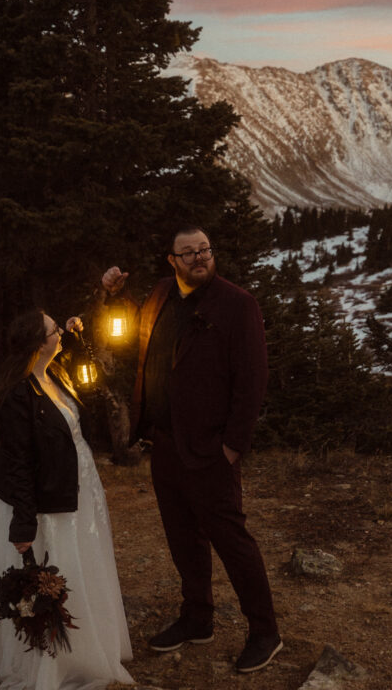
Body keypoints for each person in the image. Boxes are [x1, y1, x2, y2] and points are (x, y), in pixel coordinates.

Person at [102, 225, 282, 675]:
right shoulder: (162, 294)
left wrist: (232, 448)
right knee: (183, 539)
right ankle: (197, 618)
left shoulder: (238, 304)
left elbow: (252, 382)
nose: (200, 258)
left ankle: (265, 632)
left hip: (211, 449)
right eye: (189, 253)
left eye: (204, 250)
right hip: (164, 443)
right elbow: (133, 336)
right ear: (172, 260)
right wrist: (109, 298)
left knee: (232, 541)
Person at [0, 309, 133, 690]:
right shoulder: (18, 395)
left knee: (80, 562)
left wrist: (75, 332)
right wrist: (23, 524)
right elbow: (19, 463)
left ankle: (86, 643)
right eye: (55, 330)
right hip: (45, 499)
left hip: (75, 488)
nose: (61, 332)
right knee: (51, 570)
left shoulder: (55, 374)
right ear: (38, 342)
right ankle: (51, 657)